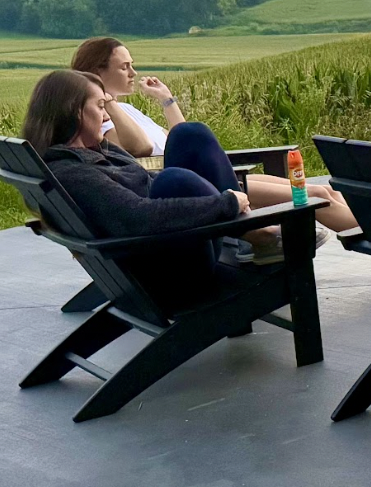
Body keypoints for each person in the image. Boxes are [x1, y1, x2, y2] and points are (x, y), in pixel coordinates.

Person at [70, 36, 356, 231]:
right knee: (314, 194)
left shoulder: (127, 110)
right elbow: (140, 148)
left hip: (204, 177)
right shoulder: (100, 117)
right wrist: (106, 99)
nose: (133, 72)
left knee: (324, 191)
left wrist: (166, 99)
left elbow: (180, 139)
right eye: (125, 67)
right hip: (196, 190)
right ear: (98, 71)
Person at [24, 70, 256, 309]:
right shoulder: (72, 172)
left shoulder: (94, 151)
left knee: (188, 135)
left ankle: (251, 233)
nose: (106, 116)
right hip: (170, 268)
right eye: (100, 106)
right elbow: (137, 217)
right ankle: (254, 233)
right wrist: (226, 203)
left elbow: (143, 179)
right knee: (173, 180)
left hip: (169, 240)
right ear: (75, 111)